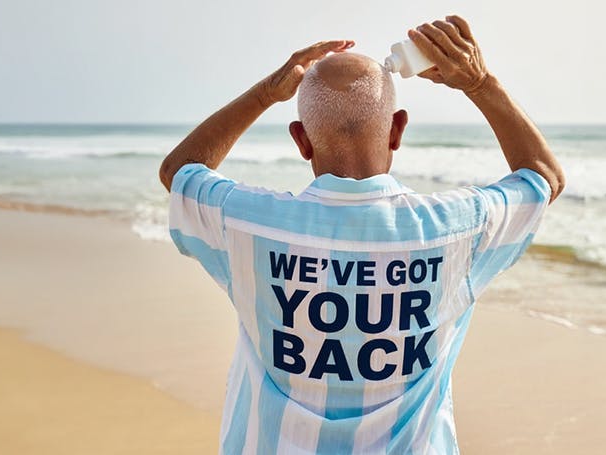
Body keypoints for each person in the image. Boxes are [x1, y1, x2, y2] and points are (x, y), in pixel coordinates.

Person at [158, 15, 564, 454]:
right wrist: (480, 83)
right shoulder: (456, 229)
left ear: (301, 140)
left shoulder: (248, 224)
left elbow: (180, 171)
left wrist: (266, 94)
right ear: (397, 130)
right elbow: (543, 177)